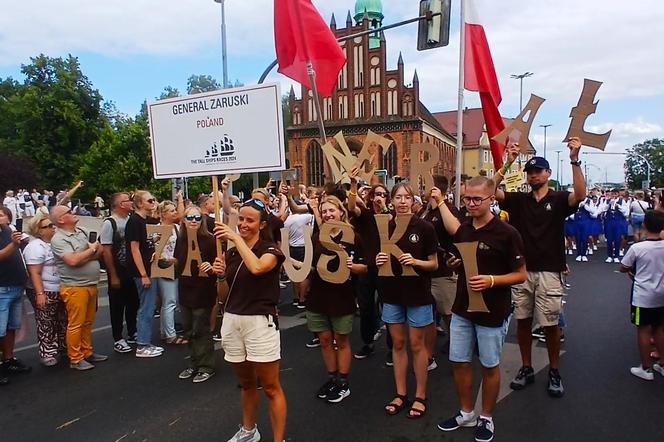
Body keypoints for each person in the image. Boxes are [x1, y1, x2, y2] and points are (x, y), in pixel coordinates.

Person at [435, 176, 527, 442]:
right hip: (463, 308)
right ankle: (466, 412)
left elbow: (520, 274)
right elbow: (464, 263)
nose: (471, 203)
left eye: (477, 199)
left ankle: (486, 417)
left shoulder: (507, 233)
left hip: (493, 311)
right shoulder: (463, 230)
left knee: (489, 365)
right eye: (467, 199)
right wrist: (455, 266)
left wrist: (492, 280)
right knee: (459, 362)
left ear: (490, 199)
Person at [493, 138, 586, 398]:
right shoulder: (519, 200)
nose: (533, 175)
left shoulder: (558, 200)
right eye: (530, 172)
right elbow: (490, 191)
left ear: (548, 174)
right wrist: (508, 161)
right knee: (522, 322)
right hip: (522, 269)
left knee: (550, 324)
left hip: (549, 270)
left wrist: (574, 159)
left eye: (538, 171)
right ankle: (526, 366)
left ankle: (554, 370)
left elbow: (580, 194)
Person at [214, 198, 287, 442]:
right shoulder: (232, 253)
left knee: (270, 386)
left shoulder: (271, 250)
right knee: (246, 384)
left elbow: (256, 268)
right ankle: (249, 430)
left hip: (259, 323)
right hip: (233, 320)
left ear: (262, 223)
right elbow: (224, 296)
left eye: (249, 220)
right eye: (241, 219)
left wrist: (235, 239)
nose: (243, 224)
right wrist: (220, 277)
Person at [375, 183, 438, 419]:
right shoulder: (385, 227)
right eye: (398, 197)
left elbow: (434, 264)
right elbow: (375, 260)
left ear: (413, 201)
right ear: (391, 201)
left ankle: (420, 395)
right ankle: (401, 393)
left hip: (418, 293)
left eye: (406, 197)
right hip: (391, 294)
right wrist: (378, 258)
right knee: (398, 344)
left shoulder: (425, 228)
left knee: (416, 345)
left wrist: (416, 262)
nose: (402, 201)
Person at [304, 196, 367, 403]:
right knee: (324, 340)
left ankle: (343, 381)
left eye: (332, 210)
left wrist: (353, 266)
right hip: (318, 297)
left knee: (341, 340)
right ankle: (332, 377)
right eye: (324, 211)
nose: (328, 214)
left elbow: (365, 267)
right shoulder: (316, 239)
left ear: (341, 212)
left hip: (342, 297)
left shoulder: (353, 237)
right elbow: (309, 267)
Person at [50, 205, 108, 370]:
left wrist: (87, 253)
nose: (73, 212)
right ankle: (75, 358)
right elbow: (72, 261)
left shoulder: (82, 231)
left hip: (90, 284)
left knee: (87, 321)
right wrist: (89, 252)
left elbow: (99, 250)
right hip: (74, 287)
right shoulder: (59, 239)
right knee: (76, 323)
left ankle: (86, 351)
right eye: (68, 212)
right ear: (61, 219)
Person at [347, 178, 391, 361]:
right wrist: (354, 185)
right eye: (376, 194)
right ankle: (368, 342)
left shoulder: (392, 215)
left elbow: (391, 221)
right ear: (371, 197)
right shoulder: (365, 215)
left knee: (387, 307)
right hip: (367, 266)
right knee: (365, 307)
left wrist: (385, 208)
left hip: (386, 266)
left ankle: (392, 346)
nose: (379, 197)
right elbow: (351, 207)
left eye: (383, 194)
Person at [175, 206, 220, 383]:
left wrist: (211, 266)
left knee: (200, 329)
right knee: (188, 329)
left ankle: (205, 366)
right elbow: (179, 262)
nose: (193, 221)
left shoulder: (210, 240)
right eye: (189, 217)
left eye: (197, 218)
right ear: (184, 220)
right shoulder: (181, 239)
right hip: (185, 290)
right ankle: (193, 364)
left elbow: (219, 265)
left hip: (203, 291)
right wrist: (167, 261)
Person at [620, 210, 664, 380]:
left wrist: (631, 271)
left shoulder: (637, 248)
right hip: (661, 295)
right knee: (659, 328)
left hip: (642, 296)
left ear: (644, 225)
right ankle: (662, 363)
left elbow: (624, 266)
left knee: (643, 330)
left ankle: (646, 368)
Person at [24, 213, 67, 366]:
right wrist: (40, 293)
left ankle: (63, 347)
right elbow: (34, 272)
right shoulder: (35, 247)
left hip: (60, 288)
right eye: (47, 226)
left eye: (52, 225)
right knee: (46, 322)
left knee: (62, 320)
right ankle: (47, 352)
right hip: (45, 289)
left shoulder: (54, 243)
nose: (51, 228)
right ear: (38, 230)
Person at [125, 191, 163, 358]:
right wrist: (143, 274)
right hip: (143, 272)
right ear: (140, 203)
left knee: (148, 306)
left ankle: (144, 342)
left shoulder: (143, 220)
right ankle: (143, 344)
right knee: (147, 307)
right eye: (150, 200)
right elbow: (134, 249)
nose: (153, 202)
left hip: (148, 269)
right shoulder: (134, 221)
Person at [100, 192, 139, 354]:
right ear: (120, 204)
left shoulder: (130, 220)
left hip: (131, 270)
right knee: (117, 306)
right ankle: (118, 338)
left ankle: (132, 332)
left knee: (133, 303)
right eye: (128, 200)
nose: (131, 202)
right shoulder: (110, 223)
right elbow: (106, 250)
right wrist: (113, 274)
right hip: (118, 270)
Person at [0, 207, 31, 384]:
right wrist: (14, 244)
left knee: (11, 327)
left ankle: (8, 359)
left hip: (15, 286)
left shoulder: (6, 230)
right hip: (2, 288)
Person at [155, 200, 183, 345]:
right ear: (163, 214)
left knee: (171, 300)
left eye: (174, 210)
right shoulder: (157, 229)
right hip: (164, 266)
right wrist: (168, 259)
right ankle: (170, 335)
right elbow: (155, 252)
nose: (175, 213)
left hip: (176, 267)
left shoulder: (177, 228)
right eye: (171, 211)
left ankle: (164, 331)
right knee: (169, 301)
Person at [283, 211, 315, 309]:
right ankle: (302, 299)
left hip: (291, 247)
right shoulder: (307, 217)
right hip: (303, 247)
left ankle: (296, 298)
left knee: (294, 275)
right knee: (305, 274)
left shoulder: (288, 219)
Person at [602, 189, 630, 263]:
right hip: (609, 221)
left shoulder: (622, 201)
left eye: (615, 194)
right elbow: (603, 209)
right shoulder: (607, 200)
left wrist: (618, 206)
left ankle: (616, 255)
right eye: (612, 194)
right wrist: (609, 204)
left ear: (618, 194)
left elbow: (625, 211)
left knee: (617, 238)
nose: (614, 195)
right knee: (609, 239)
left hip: (618, 221)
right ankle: (609, 256)